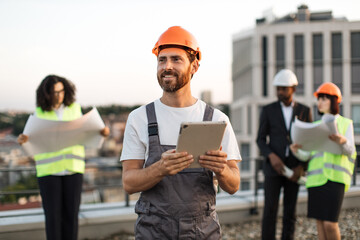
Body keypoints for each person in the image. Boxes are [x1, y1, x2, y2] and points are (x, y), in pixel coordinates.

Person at [120, 26, 241, 239]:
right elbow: (129, 182)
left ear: (194, 66)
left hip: (202, 231)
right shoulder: (139, 118)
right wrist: (160, 168)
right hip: (153, 232)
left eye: (176, 59)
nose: (167, 66)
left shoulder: (217, 120)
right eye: (161, 60)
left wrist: (221, 170)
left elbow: (234, 185)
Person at [17, 75, 109, 240]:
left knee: (71, 217)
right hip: (48, 172)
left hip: (73, 169)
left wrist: (102, 132)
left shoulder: (74, 109)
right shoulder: (39, 113)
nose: (58, 95)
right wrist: (23, 140)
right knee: (53, 218)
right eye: (53, 92)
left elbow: (86, 132)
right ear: (45, 94)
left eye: (61, 91)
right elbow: (30, 139)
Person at [290, 82, 356, 240]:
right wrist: (297, 150)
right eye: (319, 99)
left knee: (330, 223)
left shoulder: (346, 124)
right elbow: (308, 156)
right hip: (315, 180)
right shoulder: (315, 126)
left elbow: (351, 151)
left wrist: (342, 141)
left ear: (334, 101)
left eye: (324, 99)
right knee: (319, 223)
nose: (320, 102)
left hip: (335, 179)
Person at [256, 69, 313, 240]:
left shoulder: (305, 110)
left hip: (294, 168)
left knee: (290, 211)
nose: (280, 92)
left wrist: (301, 167)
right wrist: (271, 156)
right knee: (270, 210)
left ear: (293, 89)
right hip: (273, 168)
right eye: (278, 88)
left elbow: (309, 142)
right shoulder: (268, 110)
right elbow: (260, 139)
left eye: (284, 88)